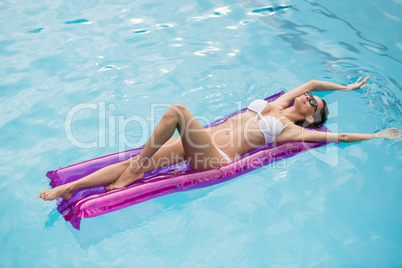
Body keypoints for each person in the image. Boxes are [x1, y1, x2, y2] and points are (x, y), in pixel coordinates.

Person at [39, 77, 401, 201]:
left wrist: (379, 135)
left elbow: (341, 136)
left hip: (215, 160)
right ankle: (70, 188)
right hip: (201, 143)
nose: (307, 97)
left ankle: (132, 177)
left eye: (313, 103)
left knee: (178, 111)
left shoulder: (293, 129)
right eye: (309, 97)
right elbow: (312, 82)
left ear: (311, 116)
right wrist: (347, 88)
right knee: (134, 161)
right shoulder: (278, 103)